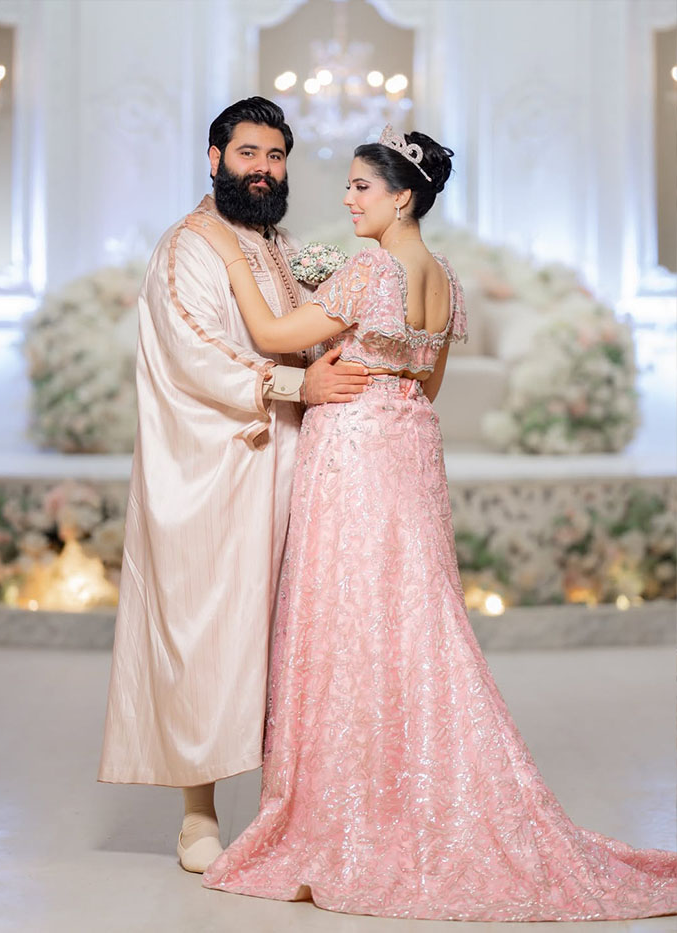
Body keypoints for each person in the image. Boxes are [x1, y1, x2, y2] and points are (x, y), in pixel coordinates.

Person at [194, 125, 677, 921]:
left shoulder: (368, 269)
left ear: (402, 198)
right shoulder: (443, 278)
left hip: (353, 452)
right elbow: (429, 383)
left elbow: (277, 337)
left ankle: (352, 810)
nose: (348, 198)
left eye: (361, 186)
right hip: (410, 446)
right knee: (414, 619)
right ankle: (414, 788)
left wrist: (232, 259)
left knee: (350, 621)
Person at [97, 97, 371, 873]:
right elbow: (195, 350)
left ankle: (290, 810)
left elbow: (300, 330)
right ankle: (197, 815)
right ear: (214, 159)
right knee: (206, 633)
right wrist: (296, 386)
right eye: (249, 153)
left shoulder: (275, 243)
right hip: (211, 470)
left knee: (284, 635)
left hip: (286, 462)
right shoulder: (189, 244)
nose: (264, 169)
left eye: (276, 156)